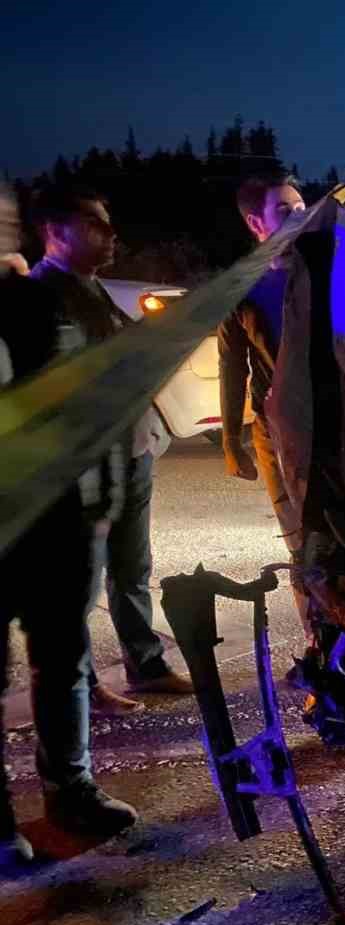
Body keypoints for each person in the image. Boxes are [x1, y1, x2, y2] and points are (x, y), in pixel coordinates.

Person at [1, 182, 138, 863]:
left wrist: (103, 504)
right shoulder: (20, 299)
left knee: (62, 660)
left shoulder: (70, 302)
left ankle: (72, 791)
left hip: (67, 516)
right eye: (94, 223)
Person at [29, 185, 193, 713]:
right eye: (95, 224)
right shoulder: (38, 297)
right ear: (55, 233)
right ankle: (77, 685)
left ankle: (146, 664)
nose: (112, 235)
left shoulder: (95, 290)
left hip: (132, 450)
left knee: (131, 569)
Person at [219, 173, 309, 628]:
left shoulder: (326, 270)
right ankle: (322, 650)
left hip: (335, 428)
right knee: (301, 548)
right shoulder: (242, 289)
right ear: (257, 222)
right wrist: (231, 441)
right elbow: (233, 366)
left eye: (301, 205)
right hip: (277, 435)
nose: (300, 214)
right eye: (286, 210)